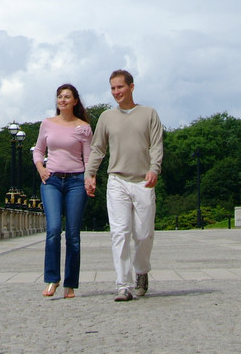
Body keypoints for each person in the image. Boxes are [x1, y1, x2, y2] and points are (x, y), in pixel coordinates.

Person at [85, 69, 164, 301]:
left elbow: (156, 145)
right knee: (120, 232)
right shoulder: (106, 118)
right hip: (117, 179)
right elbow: (98, 148)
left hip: (143, 181)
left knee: (144, 233)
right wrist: (90, 174)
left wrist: (154, 168)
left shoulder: (149, 113)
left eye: (120, 87)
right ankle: (123, 285)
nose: (116, 92)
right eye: (113, 88)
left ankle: (141, 272)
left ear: (131, 87)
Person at [33, 83, 92, 299]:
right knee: (53, 229)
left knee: (73, 234)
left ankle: (70, 284)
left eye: (67, 97)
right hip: (52, 180)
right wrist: (41, 169)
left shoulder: (83, 127)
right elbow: (39, 150)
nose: (63, 100)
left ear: (75, 101)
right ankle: (52, 279)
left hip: (76, 180)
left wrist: (89, 179)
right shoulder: (48, 124)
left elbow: (88, 158)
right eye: (60, 97)